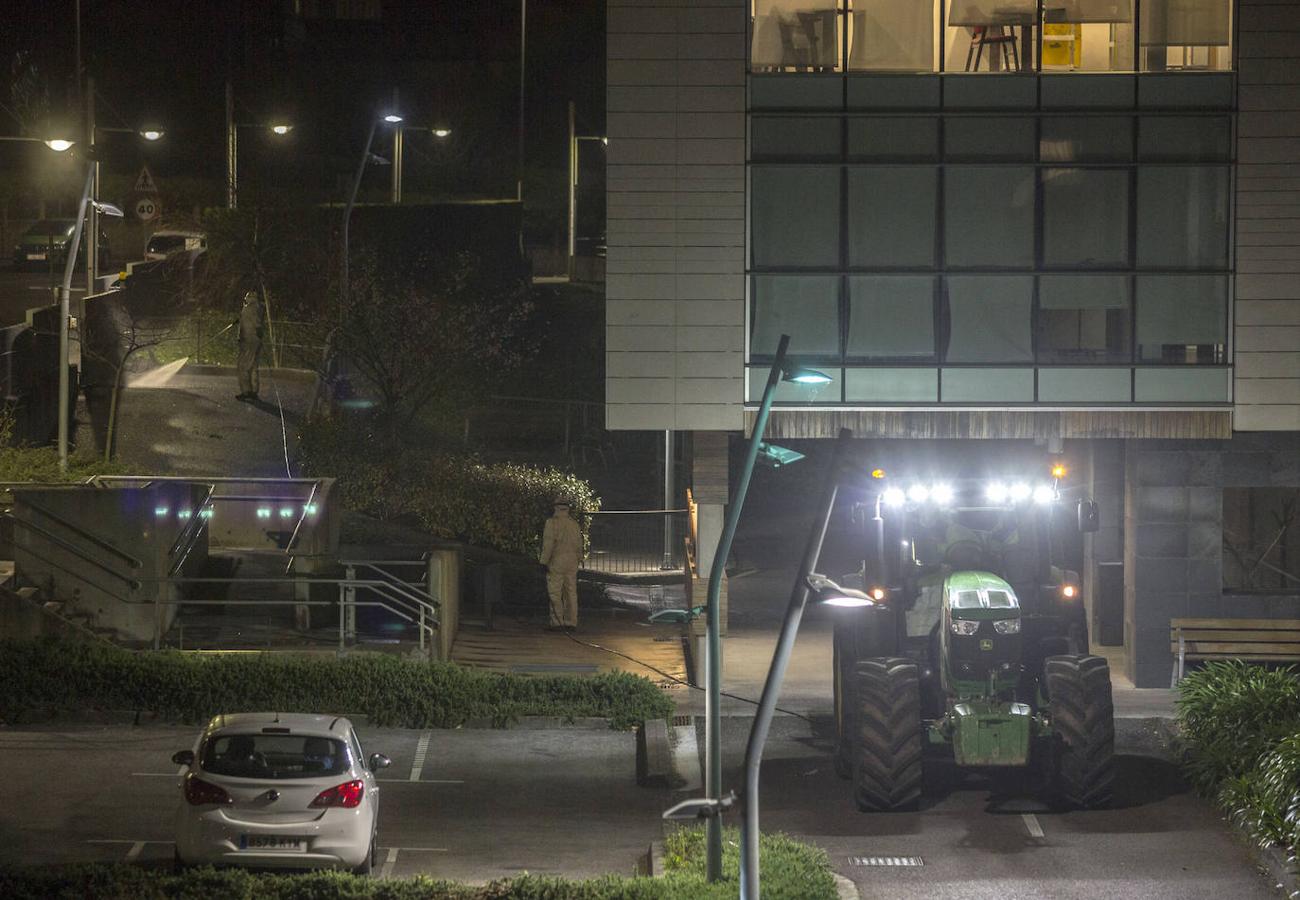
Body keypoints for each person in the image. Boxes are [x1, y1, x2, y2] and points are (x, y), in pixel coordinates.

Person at [540, 497, 582, 631]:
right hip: (572, 561)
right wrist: (579, 559)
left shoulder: (551, 523)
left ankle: (557, 622)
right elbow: (579, 545)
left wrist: (544, 561)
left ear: (555, 507)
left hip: (557, 561)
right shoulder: (574, 524)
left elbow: (548, 544)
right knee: (571, 592)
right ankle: (571, 622)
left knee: (555, 592)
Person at [235, 290, 264, 402]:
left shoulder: (247, 309)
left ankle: (246, 391)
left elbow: (247, 327)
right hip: (256, 341)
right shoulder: (258, 308)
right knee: (254, 367)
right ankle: (254, 391)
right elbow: (257, 323)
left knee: (243, 366)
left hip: (248, 341)